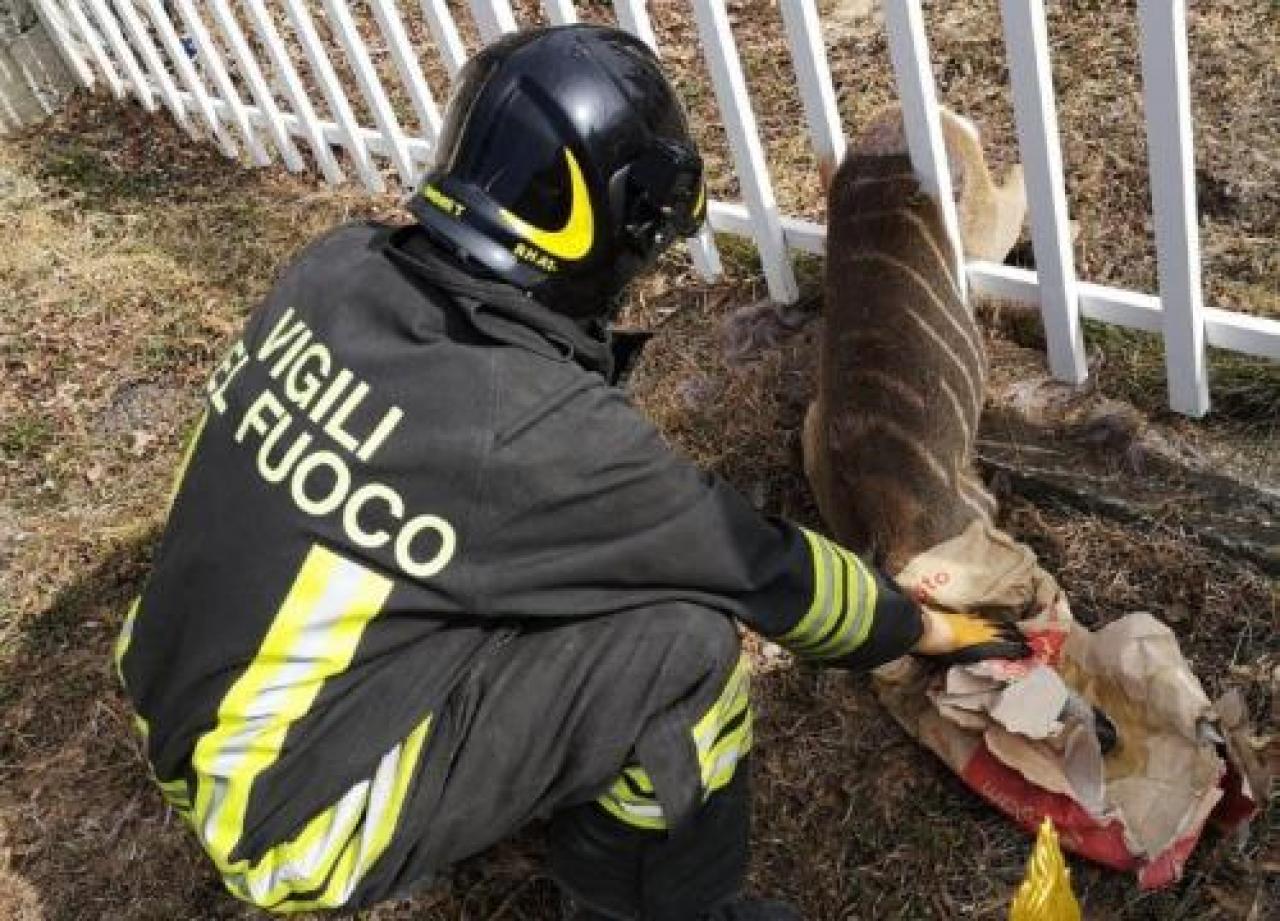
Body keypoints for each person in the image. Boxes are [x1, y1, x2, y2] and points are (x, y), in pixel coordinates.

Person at [114, 24, 1027, 920]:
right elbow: (757, 567)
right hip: (295, 819)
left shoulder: (338, 268)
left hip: (177, 691)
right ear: (616, 230)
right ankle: (658, 900)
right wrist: (916, 626)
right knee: (680, 654)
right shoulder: (533, 430)